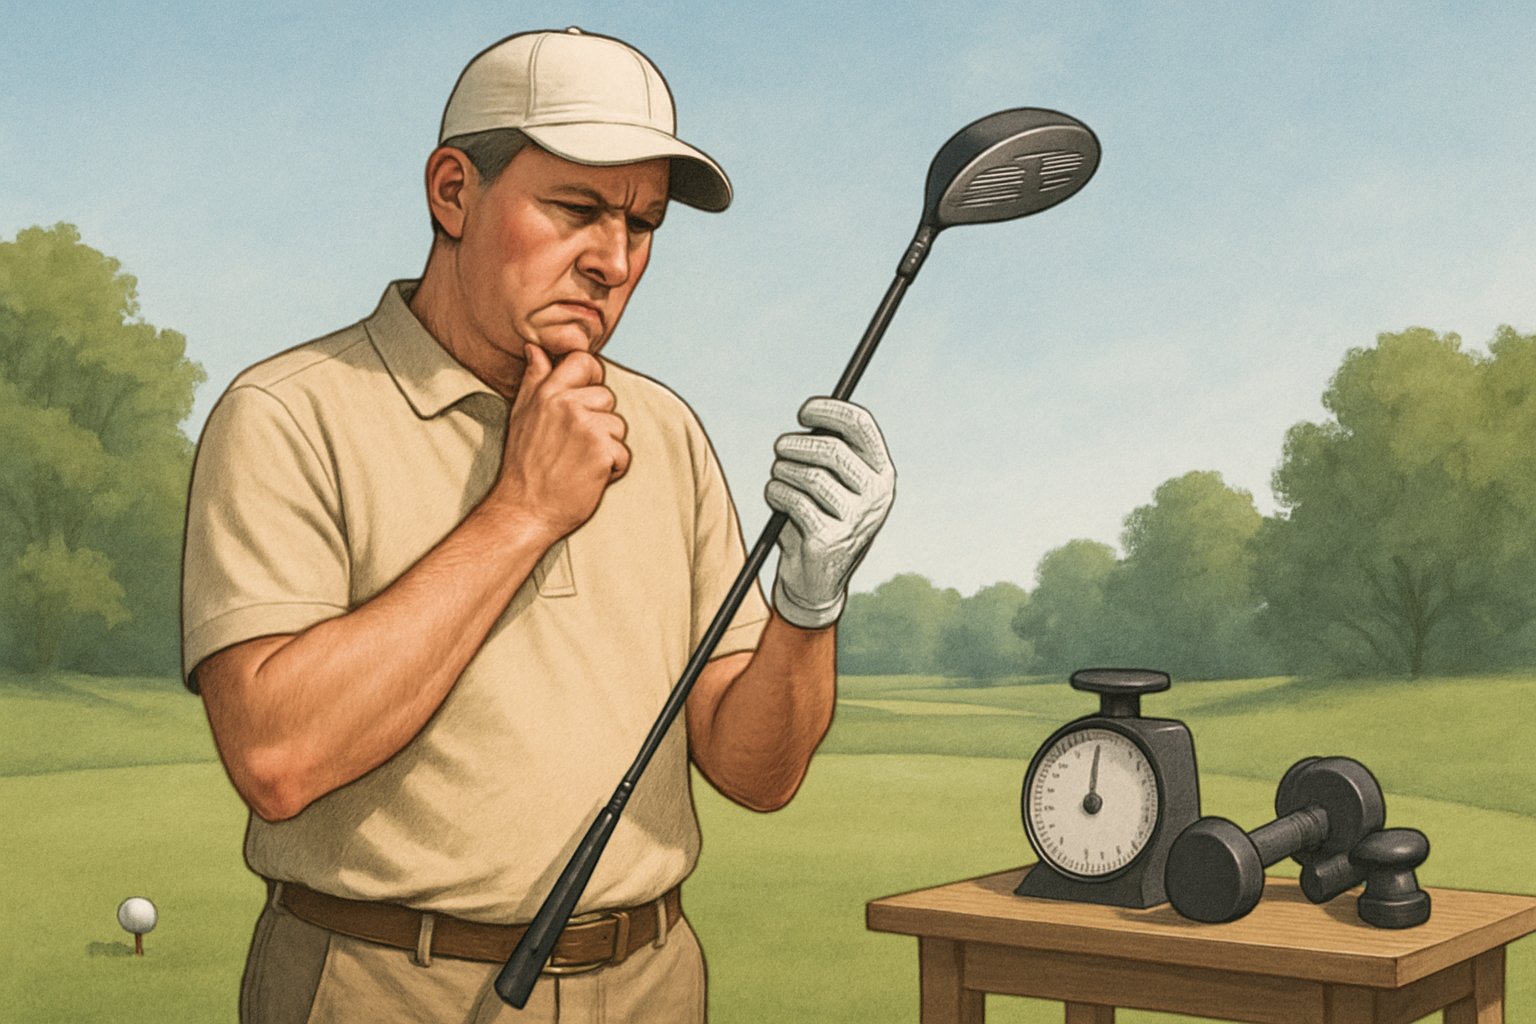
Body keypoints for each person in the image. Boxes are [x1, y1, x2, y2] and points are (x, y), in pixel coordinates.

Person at [180, 27, 895, 1024]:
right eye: (576, 209)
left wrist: (810, 602)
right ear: (452, 192)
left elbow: (753, 770)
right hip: (380, 981)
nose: (614, 262)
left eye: (643, 225)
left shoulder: (668, 430)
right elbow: (275, 759)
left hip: (651, 977)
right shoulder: (290, 411)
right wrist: (523, 510)